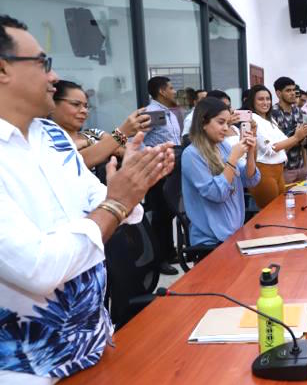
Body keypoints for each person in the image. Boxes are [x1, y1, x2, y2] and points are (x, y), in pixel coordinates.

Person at [0, 15, 174, 385]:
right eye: (43, 63)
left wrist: (131, 185)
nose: (54, 76)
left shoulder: (53, 137)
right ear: (3, 68)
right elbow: (38, 267)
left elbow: (116, 208)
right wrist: (116, 204)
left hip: (96, 343)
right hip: (29, 378)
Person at [181, 97, 260, 245]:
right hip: (211, 240)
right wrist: (233, 159)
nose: (226, 128)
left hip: (235, 232)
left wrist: (250, 151)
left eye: (228, 123)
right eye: (221, 122)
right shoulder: (191, 154)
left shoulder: (223, 146)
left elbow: (250, 179)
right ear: (203, 122)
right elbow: (217, 193)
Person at [50, 80, 150, 174]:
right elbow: (75, 162)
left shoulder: (93, 133)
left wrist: (117, 143)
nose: (84, 111)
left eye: (86, 106)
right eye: (76, 104)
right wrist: (121, 134)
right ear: (52, 104)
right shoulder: (47, 140)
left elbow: (127, 148)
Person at [242, 84, 307, 208]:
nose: (265, 102)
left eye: (268, 99)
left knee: (280, 210)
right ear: (252, 101)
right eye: (260, 99)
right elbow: (271, 148)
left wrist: (299, 136)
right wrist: (296, 137)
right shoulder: (252, 119)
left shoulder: (270, 120)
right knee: (270, 212)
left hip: (279, 170)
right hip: (264, 170)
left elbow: (283, 146)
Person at [144, 75, 182, 275]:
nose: (174, 91)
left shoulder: (168, 113)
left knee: (168, 212)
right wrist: (150, 157)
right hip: (158, 168)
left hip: (171, 167)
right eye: (171, 87)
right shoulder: (152, 113)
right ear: (161, 91)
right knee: (159, 214)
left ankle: (169, 251)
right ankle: (159, 260)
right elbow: (134, 139)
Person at [272, 77, 307, 184]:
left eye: (293, 90)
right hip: (283, 169)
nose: (292, 93)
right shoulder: (273, 113)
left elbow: (303, 145)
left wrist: (306, 167)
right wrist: (297, 137)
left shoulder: (298, 111)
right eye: (288, 90)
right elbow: (275, 147)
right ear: (278, 93)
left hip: (300, 168)